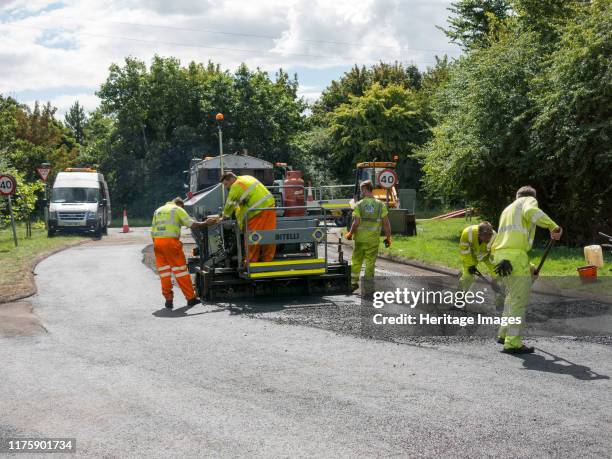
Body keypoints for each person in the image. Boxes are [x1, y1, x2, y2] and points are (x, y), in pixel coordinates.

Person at [492, 186, 562, 354]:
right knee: (519, 302)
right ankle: (513, 343)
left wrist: (530, 268)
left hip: (501, 257)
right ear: (531, 196)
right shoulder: (528, 200)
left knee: (510, 298)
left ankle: (503, 334)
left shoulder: (507, 209)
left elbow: (511, 243)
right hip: (516, 258)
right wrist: (553, 227)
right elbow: (532, 212)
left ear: (516, 196)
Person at [151, 197, 211, 309]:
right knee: (181, 271)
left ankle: (168, 300)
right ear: (180, 205)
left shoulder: (158, 210)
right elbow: (191, 224)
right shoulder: (177, 209)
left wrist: (157, 244)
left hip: (157, 243)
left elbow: (152, 230)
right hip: (171, 243)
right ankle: (191, 298)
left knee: (164, 273)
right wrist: (205, 223)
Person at [206, 172, 276, 263]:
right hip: (270, 206)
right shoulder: (247, 177)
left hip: (257, 212)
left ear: (231, 179)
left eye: (226, 184)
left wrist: (224, 217)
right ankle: (267, 260)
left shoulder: (236, 185)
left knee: (253, 239)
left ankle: (251, 263)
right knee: (269, 236)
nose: (227, 187)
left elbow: (229, 204)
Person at [345, 180, 392, 293]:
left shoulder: (359, 205)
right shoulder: (380, 205)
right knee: (370, 263)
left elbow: (356, 223)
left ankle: (353, 283)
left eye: (362, 190)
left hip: (360, 240)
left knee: (356, 261)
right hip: (373, 241)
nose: (361, 193)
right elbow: (386, 223)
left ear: (365, 189)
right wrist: (388, 238)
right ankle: (368, 288)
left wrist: (350, 233)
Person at [459, 221, 496, 291]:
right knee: (467, 276)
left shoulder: (495, 237)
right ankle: (460, 294)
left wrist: (495, 279)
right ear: (478, 234)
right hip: (471, 255)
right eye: (485, 238)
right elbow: (464, 250)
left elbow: (494, 256)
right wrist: (470, 265)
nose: (488, 240)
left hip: (488, 256)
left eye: (489, 237)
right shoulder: (467, 233)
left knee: (498, 276)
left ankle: (499, 299)